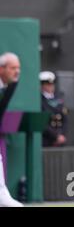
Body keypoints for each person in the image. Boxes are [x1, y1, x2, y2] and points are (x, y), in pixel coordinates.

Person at [0, 52, 23, 207]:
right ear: (1, 69)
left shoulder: (8, 86)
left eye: (18, 68)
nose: (17, 71)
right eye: (13, 68)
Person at [40, 71, 68, 147]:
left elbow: (65, 119)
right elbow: (42, 122)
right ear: (42, 85)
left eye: (52, 84)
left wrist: (61, 135)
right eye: (47, 84)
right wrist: (55, 136)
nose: (50, 86)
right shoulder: (40, 100)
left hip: (60, 140)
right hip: (46, 140)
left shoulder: (59, 99)